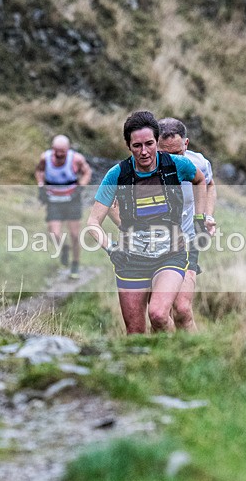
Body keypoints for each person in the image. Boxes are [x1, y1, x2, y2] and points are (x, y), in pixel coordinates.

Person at [87, 111, 214, 334]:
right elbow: (93, 222)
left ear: (157, 141)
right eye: (137, 145)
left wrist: (200, 219)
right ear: (128, 146)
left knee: (160, 313)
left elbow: (202, 180)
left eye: (149, 144)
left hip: (172, 253)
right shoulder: (118, 175)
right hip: (131, 259)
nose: (144, 151)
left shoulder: (178, 165)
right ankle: (153, 363)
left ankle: (180, 357)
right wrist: (113, 247)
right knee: (135, 331)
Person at [157, 117, 217, 332]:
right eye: (165, 154)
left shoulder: (198, 163)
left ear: (186, 144)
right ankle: (167, 357)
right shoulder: (143, 167)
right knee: (160, 313)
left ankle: (196, 354)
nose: (172, 160)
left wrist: (207, 216)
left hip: (188, 240)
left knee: (182, 308)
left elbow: (209, 186)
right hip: (154, 244)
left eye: (177, 153)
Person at [35, 134, 92, 280]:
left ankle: (75, 264)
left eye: (63, 151)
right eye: (57, 151)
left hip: (72, 200)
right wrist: (41, 186)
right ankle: (64, 248)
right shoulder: (45, 158)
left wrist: (80, 187)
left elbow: (87, 172)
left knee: (74, 235)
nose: (59, 154)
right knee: (54, 233)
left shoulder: (76, 159)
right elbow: (39, 171)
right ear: (52, 148)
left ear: (68, 149)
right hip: (53, 200)